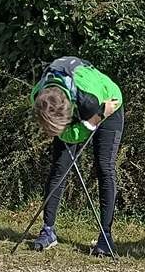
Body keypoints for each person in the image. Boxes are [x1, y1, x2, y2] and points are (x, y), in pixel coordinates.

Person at [29, 57, 123, 258]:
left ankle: (105, 237)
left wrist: (97, 116)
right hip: (71, 104)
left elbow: (77, 134)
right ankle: (48, 231)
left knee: (104, 167)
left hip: (108, 106)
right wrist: (58, 130)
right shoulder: (38, 96)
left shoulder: (88, 100)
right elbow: (66, 133)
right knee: (59, 167)